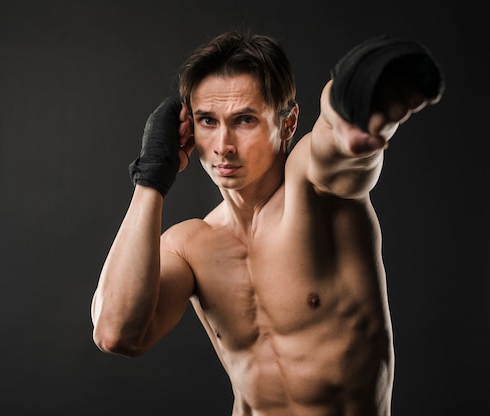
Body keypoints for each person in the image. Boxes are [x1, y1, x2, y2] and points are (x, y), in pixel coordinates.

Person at [91, 31, 444, 415]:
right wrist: (151, 179)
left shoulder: (314, 191)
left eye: (244, 120)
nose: (224, 144)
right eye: (208, 121)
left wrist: (351, 119)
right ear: (189, 130)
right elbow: (116, 332)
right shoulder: (190, 246)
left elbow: (332, 150)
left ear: (289, 123)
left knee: (346, 122)